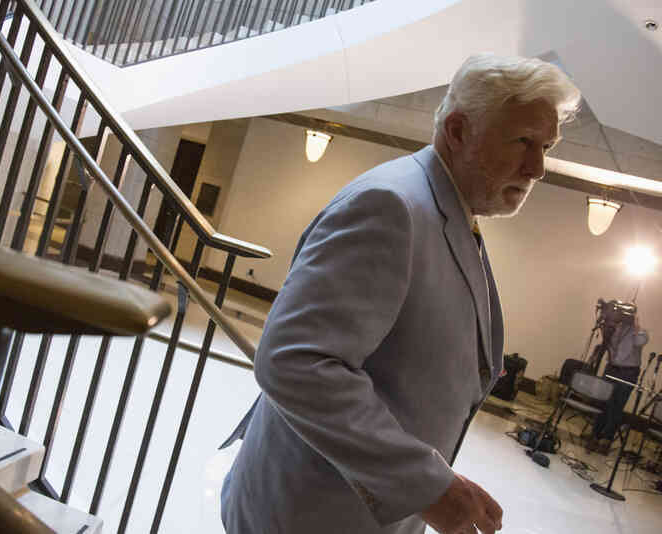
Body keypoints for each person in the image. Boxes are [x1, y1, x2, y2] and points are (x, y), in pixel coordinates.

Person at [219, 54, 580, 534]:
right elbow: (296, 362)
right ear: (457, 131)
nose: (537, 168)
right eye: (523, 142)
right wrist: (426, 484)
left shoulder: (446, 210)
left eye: (546, 146)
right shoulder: (391, 206)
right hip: (307, 514)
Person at [585, 316, 649, 454]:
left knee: (617, 406)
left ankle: (606, 440)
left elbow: (640, 341)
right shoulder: (615, 328)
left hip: (629, 372)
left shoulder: (640, 331)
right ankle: (595, 435)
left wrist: (636, 324)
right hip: (612, 367)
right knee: (604, 402)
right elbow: (607, 342)